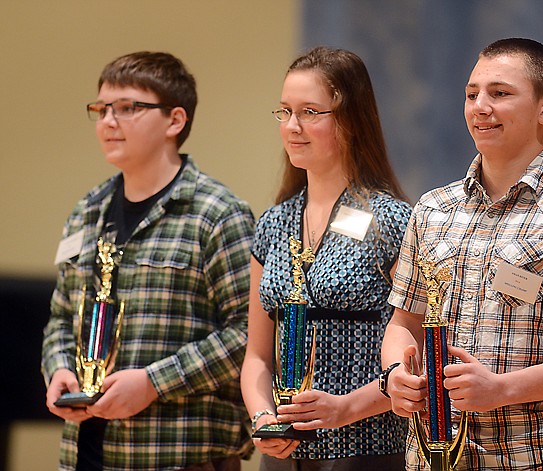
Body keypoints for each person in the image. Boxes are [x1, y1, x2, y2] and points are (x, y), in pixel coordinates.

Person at [381, 38, 543, 470]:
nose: (480, 106)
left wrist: (502, 388)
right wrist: (394, 376)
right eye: (471, 93)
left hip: (530, 460)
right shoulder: (432, 209)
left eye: (499, 93)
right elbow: (404, 323)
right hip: (429, 459)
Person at [41, 51, 255, 471]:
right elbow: (60, 319)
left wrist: (155, 383)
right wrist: (59, 369)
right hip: (87, 449)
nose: (108, 121)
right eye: (101, 109)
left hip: (176, 453)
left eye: (127, 108)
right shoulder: (88, 210)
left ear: (175, 121)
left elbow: (251, 335)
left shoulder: (217, 213)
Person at [240, 46, 411, 470]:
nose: (293, 126)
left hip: (367, 448)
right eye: (285, 112)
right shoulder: (274, 223)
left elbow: (418, 352)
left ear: (350, 120)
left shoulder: (391, 220)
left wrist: (346, 408)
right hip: (285, 453)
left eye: (311, 112)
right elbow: (257, 356)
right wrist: (263, 417)